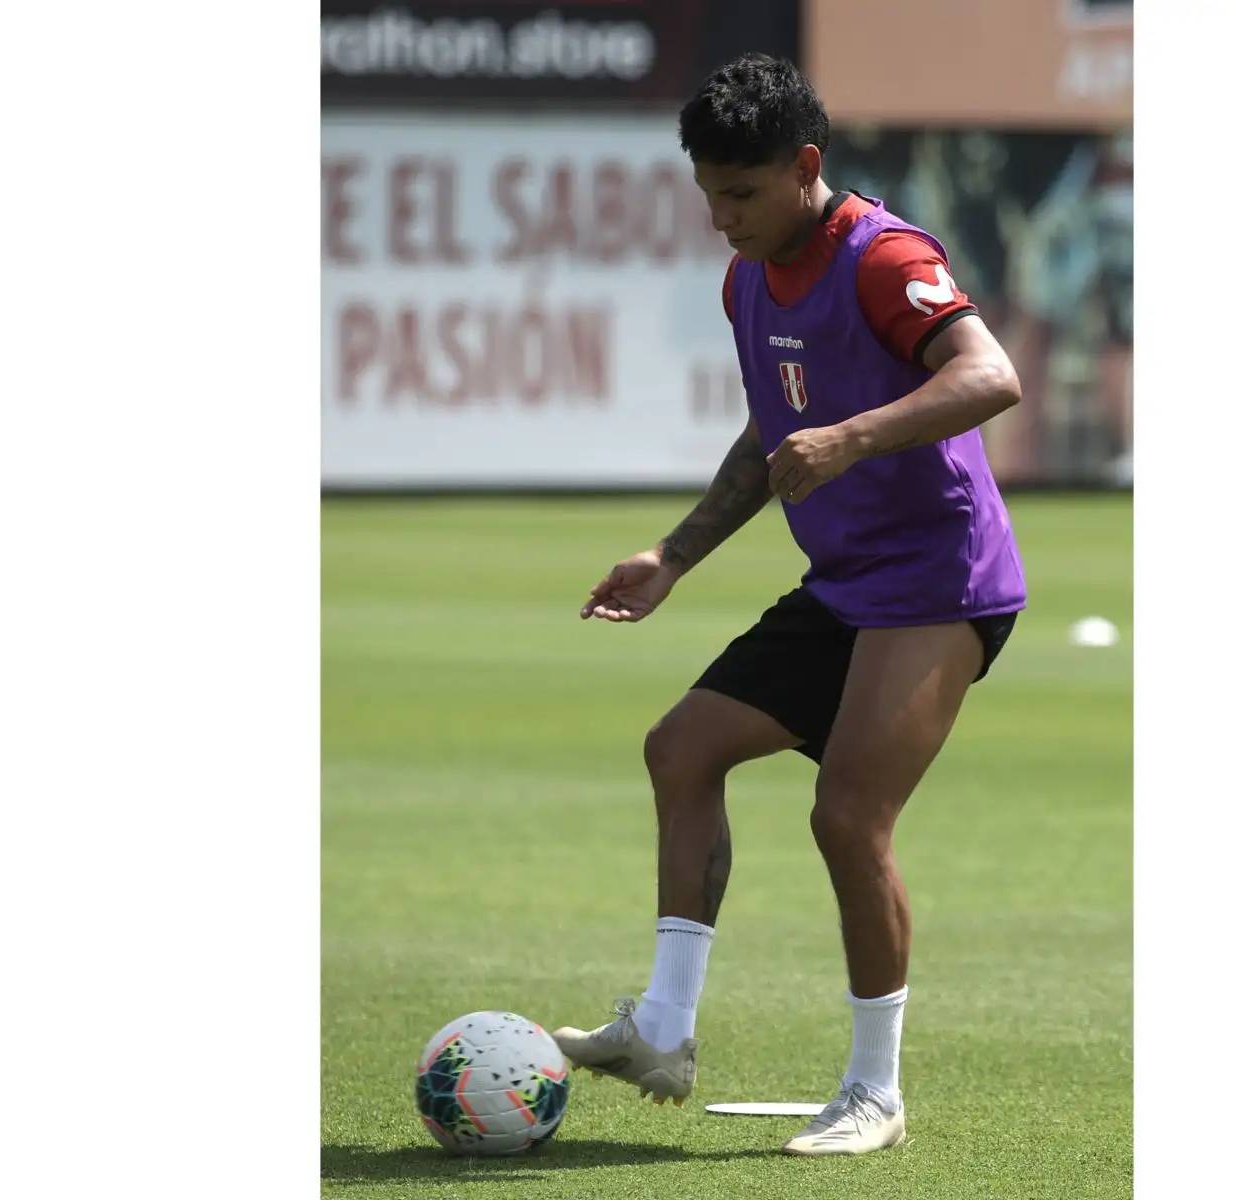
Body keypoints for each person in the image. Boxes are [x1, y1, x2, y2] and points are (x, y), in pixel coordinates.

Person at [550, 53, 1027, 1157]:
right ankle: (662, 1030)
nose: (722, 218)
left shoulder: (885, 256)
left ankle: (875, 1095)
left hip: (939, 581)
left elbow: (992, 375)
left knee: (847, 818)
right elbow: (776, 434)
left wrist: (856, 435)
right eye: (710, 195)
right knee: (681, 748)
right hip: (849, 586)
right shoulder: (749, 279)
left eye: (743, 193)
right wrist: (673, 555)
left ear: (804, 167)